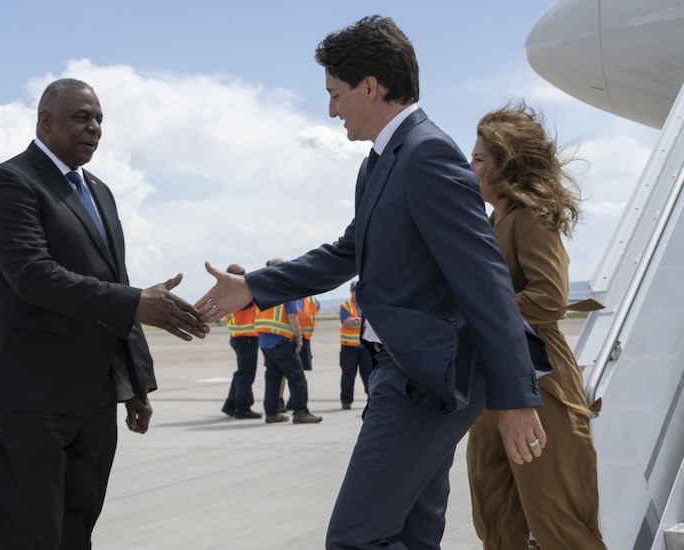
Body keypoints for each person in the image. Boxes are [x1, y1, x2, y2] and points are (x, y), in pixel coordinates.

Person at [195, 16, 547, 549]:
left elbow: (486, 280)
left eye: (335, 94)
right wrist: (254, 287)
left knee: (355, 538)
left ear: (370, 86)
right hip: (399, 370)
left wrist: (516, 397)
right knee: (411, 534)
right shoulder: (382, 163)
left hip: (426, 380)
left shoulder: (427, 154)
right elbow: (347, 252)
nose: (331, 109)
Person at [0, 78, 209, 549]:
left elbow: (118, 283)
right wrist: (137, 303)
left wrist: (136, 384)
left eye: (99, 119)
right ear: (45, 121)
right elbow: (33, 275)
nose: (95, 128)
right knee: (30, 526)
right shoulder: (12, 181)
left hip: (93, 393)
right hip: (31, 393)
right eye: (82, 117)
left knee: (78, 522)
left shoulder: (98, 190)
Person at [466, 103, 606, 549]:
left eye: (479, 159)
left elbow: (548, 297)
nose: (470, 168)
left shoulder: (530, 217)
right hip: (494, 382)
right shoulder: (492, 222)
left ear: (505, 166)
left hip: (540, 382)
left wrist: (479, 320)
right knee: (495, 514)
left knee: (557, 519)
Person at [255, 258, 323, 424]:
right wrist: (299, 338)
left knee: (273, 378)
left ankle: (272, 413)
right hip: (281, 340)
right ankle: (300, 412)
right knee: (297, 377)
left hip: (265, 341)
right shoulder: (285, 289)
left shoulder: (262, 290)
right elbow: (292, 316)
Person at [221, 263, 262, 419]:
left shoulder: (227, 291)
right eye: (242, 273)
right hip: (246, 337)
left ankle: (230, 404)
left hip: (239, 336)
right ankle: (242, 408)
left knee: (241, 373)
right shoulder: (238, 293)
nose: (245, 275)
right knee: (246, 374)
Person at [338, 280, 371, 410]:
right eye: (354, 291)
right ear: (351, 292)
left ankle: (372, 399)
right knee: (348, 375)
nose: (356, 293)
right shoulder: (345, 305)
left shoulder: (368, 304)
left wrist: (356, 321)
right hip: (349, 347)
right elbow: (346, 322)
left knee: (368, 374)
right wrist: (362, 321)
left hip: (365, 346)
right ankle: (346, 401)